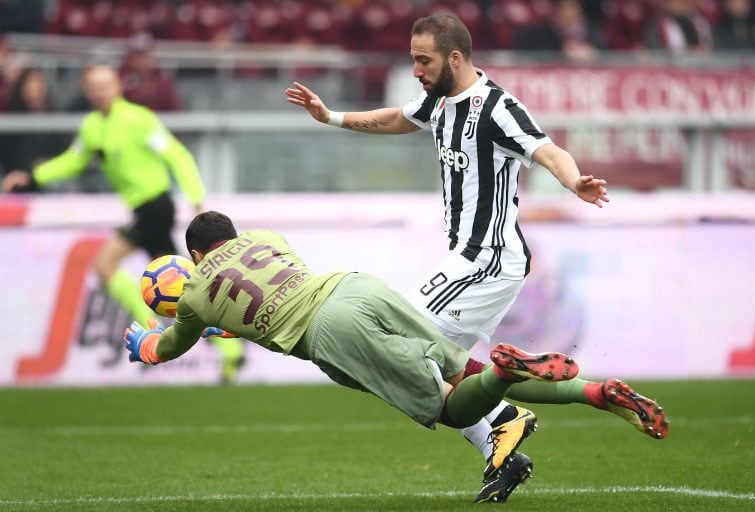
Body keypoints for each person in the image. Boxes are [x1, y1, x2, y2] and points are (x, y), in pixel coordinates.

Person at [285, 11, 667, 473]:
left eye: (423, 60)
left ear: (455, 57)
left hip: (485, 259)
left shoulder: (496, 108)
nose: (416, 70)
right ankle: (577, 402)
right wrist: (331, 117)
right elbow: (397, 119)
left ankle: (505, 411)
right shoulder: (439, 101)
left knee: (390, 341)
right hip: (467, 257)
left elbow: (547, 149)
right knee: (443, 371)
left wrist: (573, 182)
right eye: (413, 59)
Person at [123, 210, 582, 503]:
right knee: (449, 365)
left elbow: (170, 345)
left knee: (435, 400)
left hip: (330, 331)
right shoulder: (267, 235)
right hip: (354, 286)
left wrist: (143, 344)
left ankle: (502, 407)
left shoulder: (194, 295)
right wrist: (221, 322)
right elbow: (265, 295)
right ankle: (499, 448)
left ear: (196, 256)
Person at [0, 63, 243, 384]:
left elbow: (176, 155)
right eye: (94, 85)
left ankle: (155, 331)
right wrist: (33, 177)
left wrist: (196, 197)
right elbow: (74, 161)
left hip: (156, 206)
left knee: (107, 266)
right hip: (142, 211)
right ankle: (229, 350)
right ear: (87, 91)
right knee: (190, 286)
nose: (100, 90)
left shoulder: (138, 119)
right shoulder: (92, 127)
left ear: (117, 86)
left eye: (106, 84)